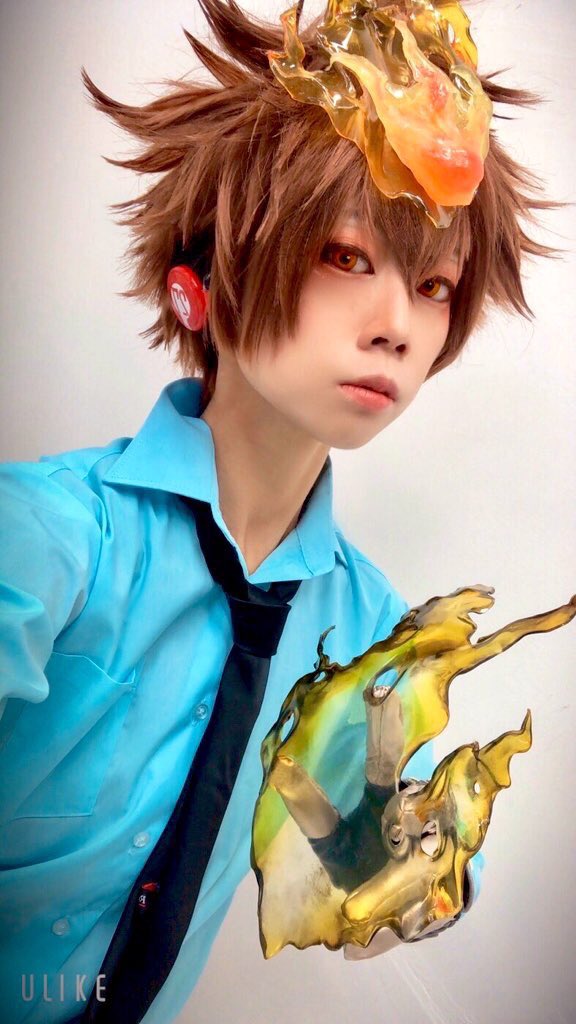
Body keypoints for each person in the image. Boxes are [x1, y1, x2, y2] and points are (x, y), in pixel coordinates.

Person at [0, 1, 557, 1022]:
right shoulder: (47, 538)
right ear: (211, 269)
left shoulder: (370, 634)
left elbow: (426, 866)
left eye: (436, 284)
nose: (398, 325)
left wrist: (408, 870)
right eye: (346, 256)